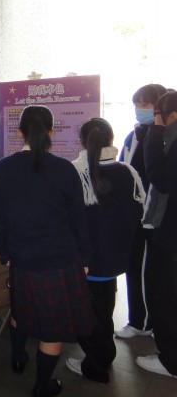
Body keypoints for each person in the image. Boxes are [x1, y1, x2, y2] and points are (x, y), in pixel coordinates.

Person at [0, 105, 92, 397]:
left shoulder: (4, 168)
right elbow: (78, 219)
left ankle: (17, 358)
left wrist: (4, 252)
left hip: (22, 259)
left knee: (20, 311)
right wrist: (85, 257)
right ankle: (41, 386)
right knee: (53, 328)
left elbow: (0, 217)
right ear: (51, 131)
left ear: (19, 132)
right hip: (59, 260)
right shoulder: (64, 169)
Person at [65, 118, 145, 383]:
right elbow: (137, 213)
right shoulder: (127, 172)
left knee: (89, 316)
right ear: (112, 140)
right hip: (116, 258)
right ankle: (103, 358)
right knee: (103, 312)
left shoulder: (76, 172)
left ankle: (97, 367)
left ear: (81, 142)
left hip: (86, 261)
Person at [115, 83, 167, 339]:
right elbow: (124, 167)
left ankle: (145, 323)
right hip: (134, 214)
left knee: (148, 270)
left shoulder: (165, 136)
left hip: (154, 217)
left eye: (145, 104)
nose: (139, 109)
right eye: (137, 104)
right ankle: (140, 320)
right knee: (134, 266)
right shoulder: (133, 135)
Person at [136, 91, 177, 378]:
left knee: (165, 295)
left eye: (157, 115)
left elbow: (160, 179)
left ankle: (171, 361)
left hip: (171, 233)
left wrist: (154, 134)